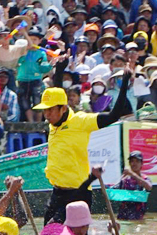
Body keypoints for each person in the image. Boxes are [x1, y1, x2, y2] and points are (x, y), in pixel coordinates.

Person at [32, 81, 133, 224]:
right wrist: (60, 68)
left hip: (78, 192)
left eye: (50, 110)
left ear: (63, 109)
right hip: (57, 192)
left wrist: (124, 84)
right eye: (45, 110)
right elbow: (58, 94)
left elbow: (113, 116)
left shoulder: (81, 121)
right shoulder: (54, 123)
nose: (46, 115)